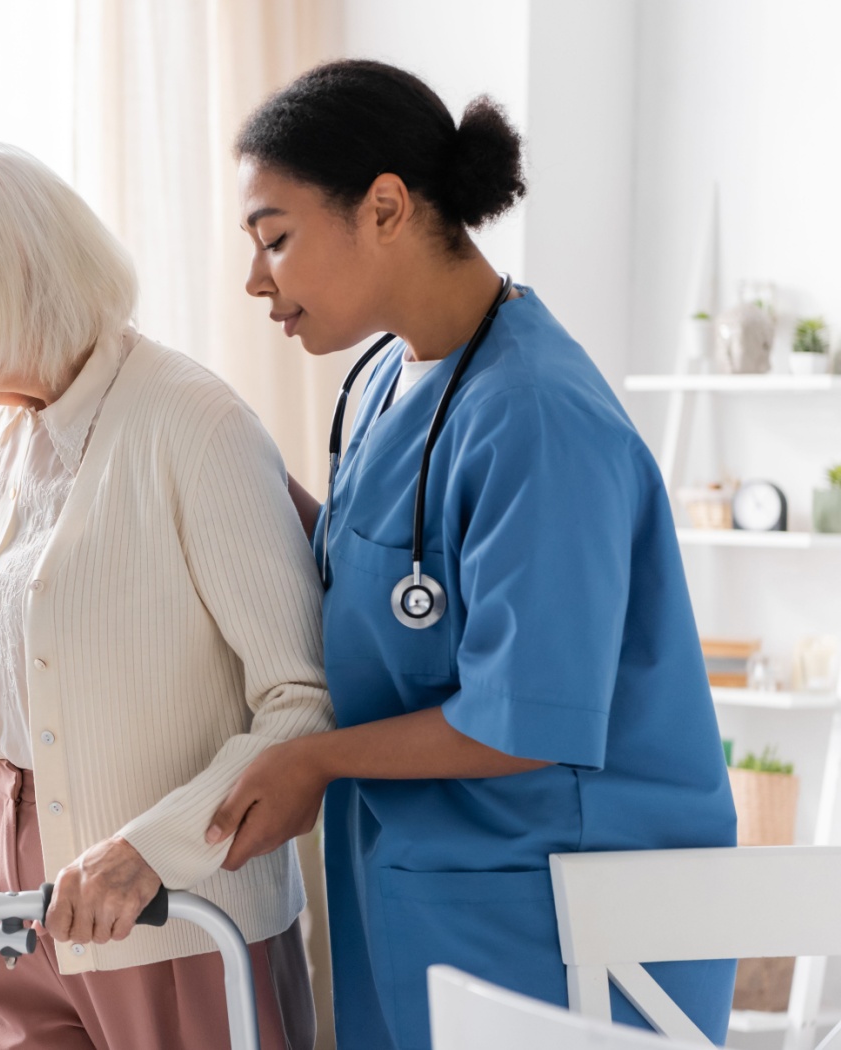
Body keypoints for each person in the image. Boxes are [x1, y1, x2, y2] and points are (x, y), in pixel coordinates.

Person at [203, 60, 738, 1050]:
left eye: (276, 238)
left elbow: (520, 717)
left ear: (386, 208)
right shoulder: (381, 379)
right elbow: (392, 576)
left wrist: (313, 760)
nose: (254, 277)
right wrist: (221, 478)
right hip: (423, 880)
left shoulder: (536, 416)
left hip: (561, 904)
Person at [0, 141, 328, 1050]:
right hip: (5, 903)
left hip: (168, 907)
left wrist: (151, 852)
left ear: (7, 272)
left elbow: (302, 704)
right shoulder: (1, 441)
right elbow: (17, 662)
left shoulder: (196, 425)